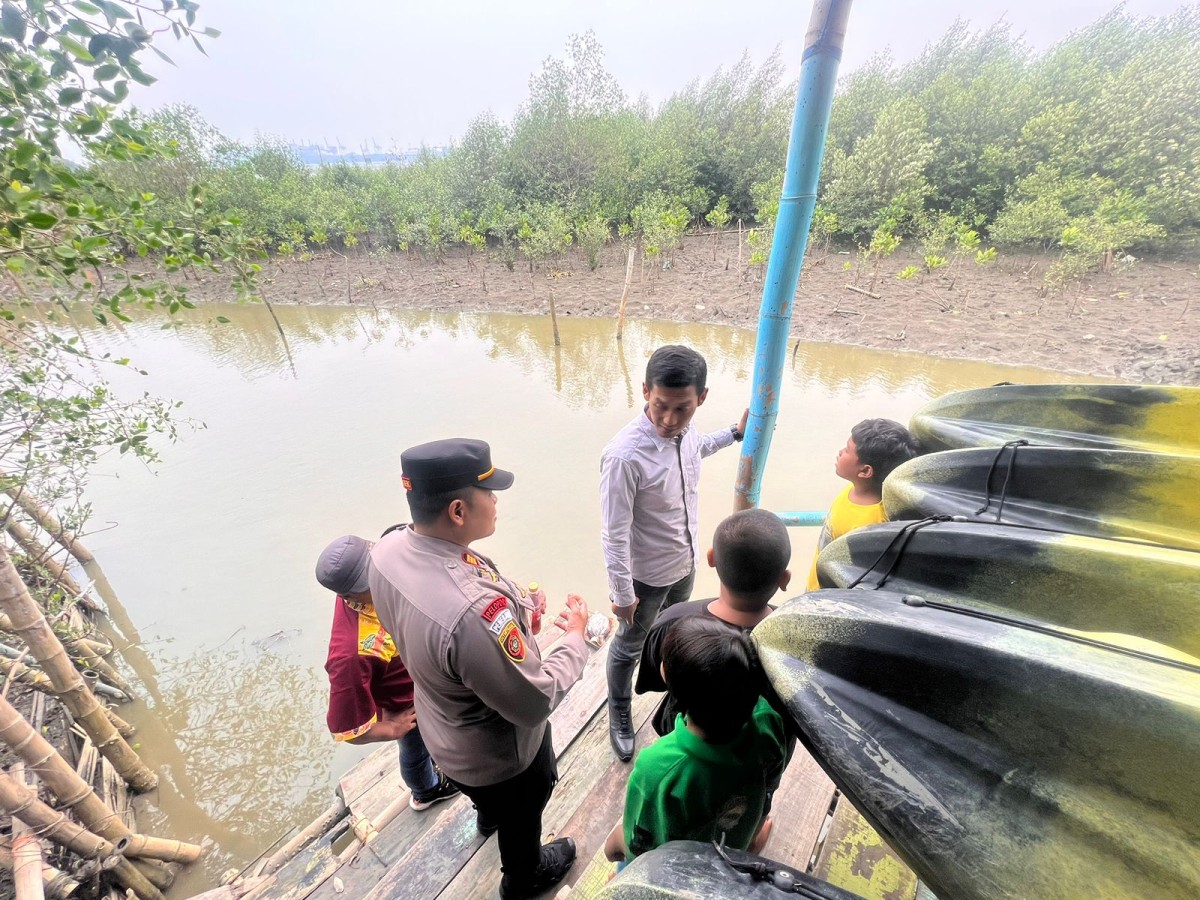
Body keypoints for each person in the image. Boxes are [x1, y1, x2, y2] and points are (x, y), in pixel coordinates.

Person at [369, 438, 591, 900]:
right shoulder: (474, 614)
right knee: (523, 809)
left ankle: (489, 815)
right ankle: (523, 876)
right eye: (488, 492)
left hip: (441, 730)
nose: (494, 501)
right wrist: (576, 638)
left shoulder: (387, 552)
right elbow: (535, 701)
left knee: (490, 806)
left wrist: (519, 605)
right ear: (457, 511)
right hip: (499, 758)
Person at [600, 344, 748, 762]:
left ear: (701, 397)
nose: (668, 419)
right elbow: (613, 533)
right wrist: (622, 592)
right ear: (645, 391)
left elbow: (696, 448)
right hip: (644, 577)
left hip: (683, 563)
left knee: (675, 632)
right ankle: (619, 711)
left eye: (682, 409)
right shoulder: (623, 456)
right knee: (629, 644)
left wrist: (734, 435)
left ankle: (677, 698)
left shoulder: (686, 432)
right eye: (660, 405)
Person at [603, 617, 792, 865]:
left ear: (677, 691)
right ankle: (747, 848)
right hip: (737, 837)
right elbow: (770, 784)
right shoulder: (767, 721)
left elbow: (640, 844)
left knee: (619, 857)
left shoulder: (658, 768)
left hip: (681, 868)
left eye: (665, 662)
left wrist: (615, 845)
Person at [315, 534, 460, 811]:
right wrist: (391, 728)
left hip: (422, 682)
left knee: (433, 735)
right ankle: (426, 791)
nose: (386, 578)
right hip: (405, 704)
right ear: (347, 595)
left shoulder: (382, 585)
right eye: (372, 581)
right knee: (414, 749)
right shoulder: (350, 654)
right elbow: (347, 728)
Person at [635, 508, 791, 736]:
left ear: (711, 558)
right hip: (765, 747)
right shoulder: (793, 636)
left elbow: (659, 679)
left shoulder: (672, 622)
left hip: (688, 736)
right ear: (784, 579)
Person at [806, 418, 922, 591]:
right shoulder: (852, 489)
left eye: (847, 450)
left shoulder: (874, 525)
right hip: (815, 585)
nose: (840, 452)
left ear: (865, 471)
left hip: (826, 596)